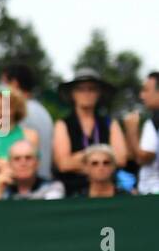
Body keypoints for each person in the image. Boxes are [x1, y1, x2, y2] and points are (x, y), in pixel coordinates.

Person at [52, 68, 127, 198]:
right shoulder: (63, 124)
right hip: (73, 191)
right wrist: (104, 156)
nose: (86, 93)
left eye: (92, 89)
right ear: (72, 94)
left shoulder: (110, 123)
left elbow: (121, 159)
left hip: (108, 190)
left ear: (99, 93)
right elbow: (63, 164)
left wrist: (79, 158)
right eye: (81, 89)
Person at [0, 63, 55, 179]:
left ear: (14, 84)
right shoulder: (43, 111)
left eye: (4, 84)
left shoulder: (20, 114)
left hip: (28, 184)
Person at [0, 139, 64, 200]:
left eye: (28, 158)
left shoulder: (53, 187)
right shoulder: (1, 190)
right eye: (17, 159)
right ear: (10, 164)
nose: (23, 163)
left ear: (37, 163)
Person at [135, 72, 159, 195]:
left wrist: (131, 130)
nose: (141, 95)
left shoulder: (153, 122)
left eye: (146, 90)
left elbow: (144, 158)